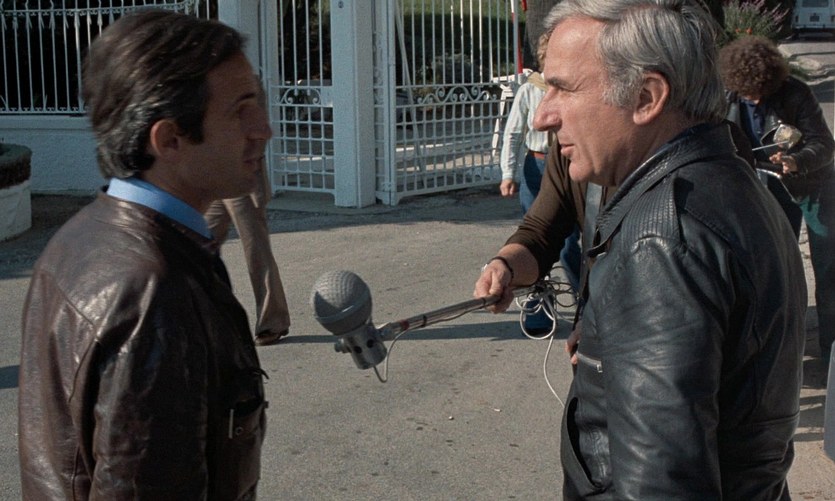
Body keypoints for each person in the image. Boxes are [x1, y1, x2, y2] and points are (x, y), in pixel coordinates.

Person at [474, 1, 806, 498]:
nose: (542, 116)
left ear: (647, 97)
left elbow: (663, 484)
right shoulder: (726, 182)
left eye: (564, 88)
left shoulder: (662, 237)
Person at [18, 11, 271, 499]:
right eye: (240, 110)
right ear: (170, 140)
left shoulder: (84, 234)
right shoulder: (155, 292)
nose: (262, 129)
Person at [720, 35, 835, 365]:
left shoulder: (795, 93)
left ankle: (831, 353)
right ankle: (782, 349)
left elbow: (824, 144)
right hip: (766, 187)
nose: (754, 100)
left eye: (760, 93)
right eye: (747, 94)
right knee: (776, 269)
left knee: (828, 268)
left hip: (813, 186)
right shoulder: (728, 99)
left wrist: (797, 161)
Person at [205, 83, 292, 347]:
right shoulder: (198, 82)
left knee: (256, 248)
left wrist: (250, 172)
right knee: (198, 243)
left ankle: (272, 321)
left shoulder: (242, 80)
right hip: (212, 175)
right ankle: (204, 320)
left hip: (240, 175)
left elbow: (257, 130)